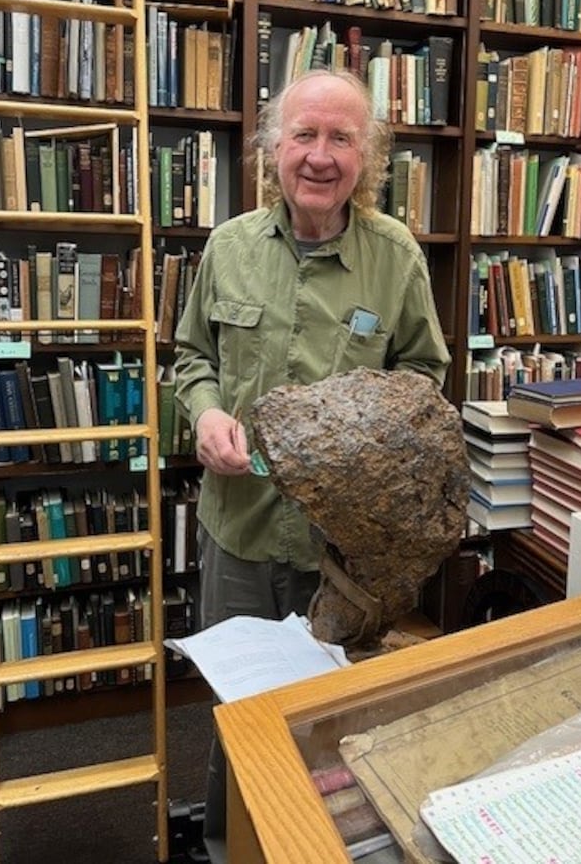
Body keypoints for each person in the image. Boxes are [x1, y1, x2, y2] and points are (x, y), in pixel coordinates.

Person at [173, 69, 449, 855]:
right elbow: (190, 357)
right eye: (304, 135)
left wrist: (365, 440)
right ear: (272, 148)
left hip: (346, 550)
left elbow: (425, 378)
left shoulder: (395, 257)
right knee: (240, 716)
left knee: (336, 726)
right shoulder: (227, 248)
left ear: (369, 157)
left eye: (341, 138)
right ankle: (232, 847)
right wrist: (208, 413)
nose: (320, 156)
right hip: (241, 534)